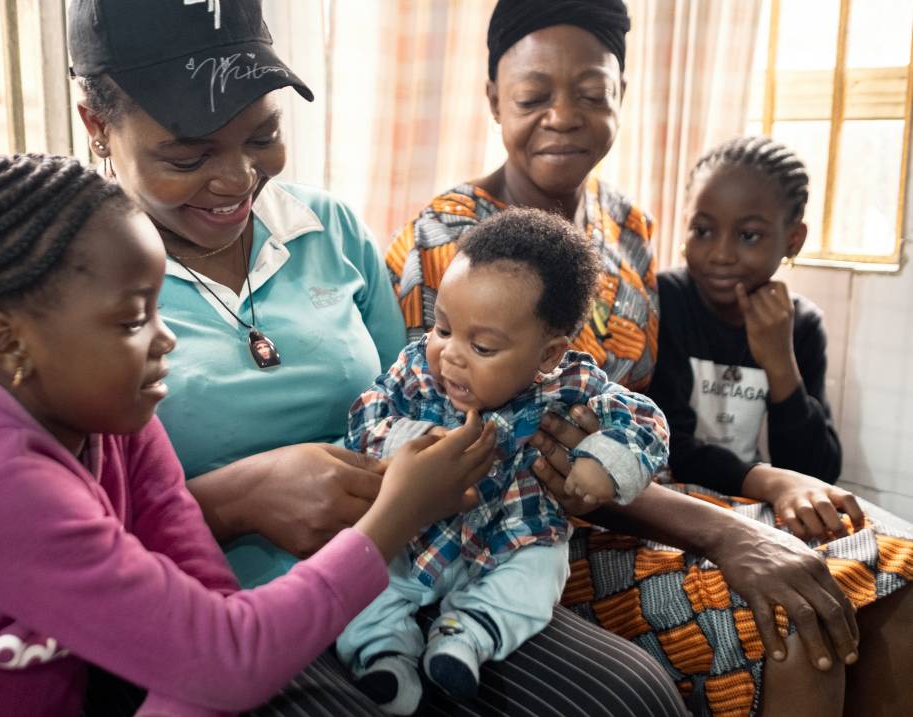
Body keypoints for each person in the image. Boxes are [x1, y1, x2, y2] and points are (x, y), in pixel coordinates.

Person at [69, 1, 688, 715]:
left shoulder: (327, 230)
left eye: (264, 135)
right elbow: (54, 539)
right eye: (188, 156)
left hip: (413, 567)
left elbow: (426, 392)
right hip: (217, 603)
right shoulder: (73, 289)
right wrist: (233, 502)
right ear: (97, 126)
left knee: (630, 695)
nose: (238, 177)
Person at [385, 1, 913, 715]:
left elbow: (650, 415)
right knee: (791, 619)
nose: (563, 116)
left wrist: (754, 492)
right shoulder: (453, 238)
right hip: (521, 536)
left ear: (622, 96)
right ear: (493, 100)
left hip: (646, 499)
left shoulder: (626, 227)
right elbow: (486, 451)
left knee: (898, 571)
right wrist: (726, 533)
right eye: (534, 96)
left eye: (591, 93)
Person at [0, 154, 498, 717]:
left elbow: (208, 613)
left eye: (159, 306)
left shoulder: (114, 421)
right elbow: (231, 658)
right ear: (9, 344)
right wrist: (395, 514)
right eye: (134, 320)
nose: (167, 339)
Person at [337, 208, 669, 715]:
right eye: (442, 328)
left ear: (547, 355)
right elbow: (368, 412)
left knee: (540, 572)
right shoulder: (416, 370)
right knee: (367, 566)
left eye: (482, 346)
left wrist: (604, 462)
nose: (450, 355)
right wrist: (406, 441)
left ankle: (467, 635)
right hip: (416, 531)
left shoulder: (572, 385)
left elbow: (646, 422)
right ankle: (383, 654)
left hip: (512, 537)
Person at [650, 136, 862, 541]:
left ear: (793, 240)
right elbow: (665, 445)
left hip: (752, 500)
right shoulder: (662, 301)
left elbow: (815, 471)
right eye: (702, 230)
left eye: (748, 235)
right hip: (669, 503)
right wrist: (769, 482)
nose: (720, 254)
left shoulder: (800, 324)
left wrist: (781, 363)